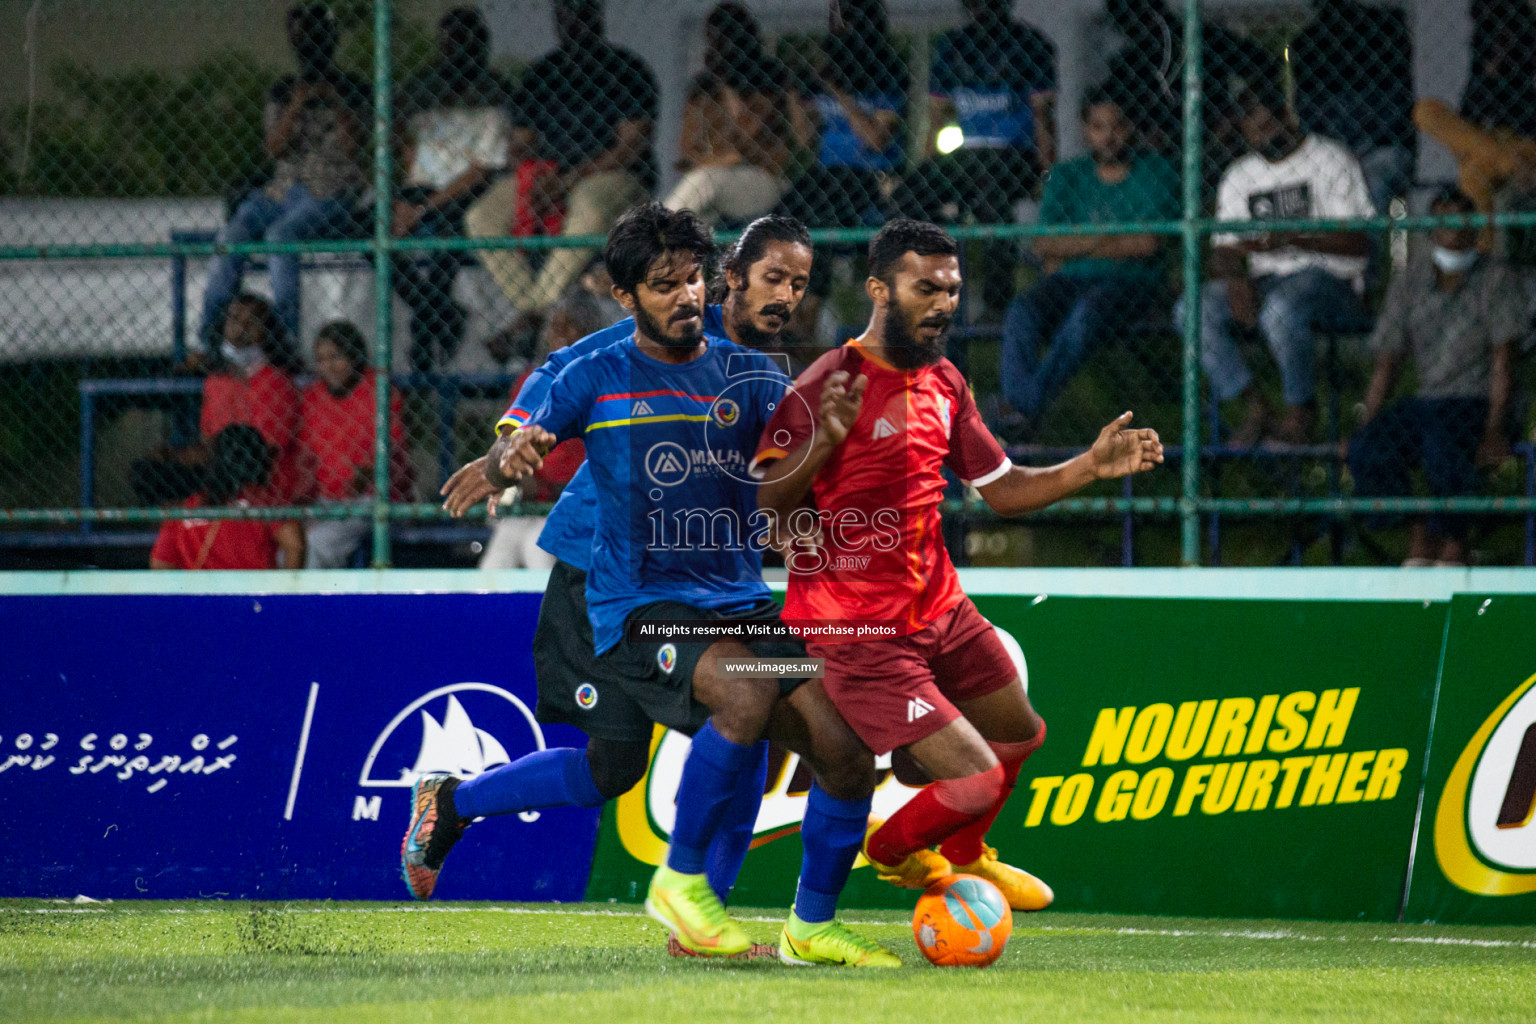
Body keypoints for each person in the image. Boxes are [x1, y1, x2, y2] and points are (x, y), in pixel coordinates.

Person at [426, 206, 893, 966]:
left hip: (728, 592)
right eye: (770, 279)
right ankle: (674, 889)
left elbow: (794, 478)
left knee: (820, 744)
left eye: (799, 284)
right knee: (664, 741)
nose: (784, 297)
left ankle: (749, 921)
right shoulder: (614, 360)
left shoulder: (760, 373)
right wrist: (508, 449)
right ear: (731, 283)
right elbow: (542, 403)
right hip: (617, 591)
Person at [752, 219, 1163, 912]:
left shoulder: (946, 381)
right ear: (879, 289)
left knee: (1021, 735)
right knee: (971, 782)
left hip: (941, 610)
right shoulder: (831, 380)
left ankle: (967, 852)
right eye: (926, 288)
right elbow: (762, 502)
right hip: (859, 633)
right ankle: (889, 850)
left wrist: (1090, 466)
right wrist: (823, 444)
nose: (944, 303)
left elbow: (1002, 491)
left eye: (952, 289)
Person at [1347, 189, 1524, 567]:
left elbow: (1503, 362)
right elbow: (1388, 362)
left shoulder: (1495, 278)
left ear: (1475, 230)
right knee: (1370, 447)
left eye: (1463, 224)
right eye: (1444, 225)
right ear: (1430, 232)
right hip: (1428, 400)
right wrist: (1368, 419)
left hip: (1476, 399)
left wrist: (1496, 427)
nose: (1454, 234)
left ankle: (1453, 543)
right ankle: (1419, 526)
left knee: (1442, 445)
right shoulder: (1410, 282)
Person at [1189, 90, 1374, 447]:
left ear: (1287, 118)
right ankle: (1255, 406)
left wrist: (1295, 239)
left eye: (1267, 126)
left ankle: (1300, 412)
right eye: (1251, 131)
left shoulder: (1330, 157)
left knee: (1281, 311)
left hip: (1330, 279)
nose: (1261, 137)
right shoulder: (1240, 174)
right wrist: (1236, 277)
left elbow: (1360, 242)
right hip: (1263, 278)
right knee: (1192, 309)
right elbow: (1222, 251)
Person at [466, 0, 657, 340]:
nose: (574, 21)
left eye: (582, 12)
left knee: (589, 203)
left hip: (612, 177)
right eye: (566, 13)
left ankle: (537, 311)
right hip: (549, 174)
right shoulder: (542, 73)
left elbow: (631, 146)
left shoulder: (627, 69)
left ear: (597, 15)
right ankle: (531, 305)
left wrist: (568, 179)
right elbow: (522, 141)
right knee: (481, 216)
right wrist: (536, 174)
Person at [999, 90, 1179, 438]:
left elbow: (1147, 244)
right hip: (1068, 281)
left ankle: (1020, 411)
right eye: (1098, 127)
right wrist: (1110, 240)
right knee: (1022, 310)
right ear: (1085, 130)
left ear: (1131, 128)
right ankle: (1022, 409)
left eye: (1117, 126)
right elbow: (1044, 243)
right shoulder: (1067, 175)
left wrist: (1078, 243)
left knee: (1088, 311)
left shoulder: (1157, 171)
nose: (1108, 136)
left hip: (1131, 284)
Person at [198, 4, 365, 357]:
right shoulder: (285, 89)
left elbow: (355, 148)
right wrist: (297, 103)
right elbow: (274, 148)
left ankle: (285, 339)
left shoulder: (353, 87)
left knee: (281, 236)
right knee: (232, 234)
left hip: (329, 192)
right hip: (282, 191)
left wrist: (335, 100)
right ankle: (209, 339)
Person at [893, 0, 1056, 313]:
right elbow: (937, 116)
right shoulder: (953, 46)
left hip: (1012, 155)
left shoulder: (1031, 44)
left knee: (990, 198)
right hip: (966, 155)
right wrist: (928, 168)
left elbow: (1042, 118)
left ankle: (996, 306)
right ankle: (928, 285)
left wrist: (1047, 175)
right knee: (906, 197)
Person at [390, 7, 514, 372]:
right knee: (364, 225)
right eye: (447, 43)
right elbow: (399, 136)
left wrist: (423, 208)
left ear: (480, 48)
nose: (453, 51)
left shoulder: (494, 94)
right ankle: (440, 311)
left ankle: (424, 335)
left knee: (448, 234)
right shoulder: (423, 88)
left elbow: (481, 171)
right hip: (423, 188)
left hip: (466, 193)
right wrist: (403, 195)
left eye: (462, 42)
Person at [477, 291, 605, 570]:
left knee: (537, 546)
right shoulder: (532, 382)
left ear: (588, 332)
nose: (559, 331)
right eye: (554, 325)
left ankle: (549, 615)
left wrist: (553, 486)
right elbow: (509, 441)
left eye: (569, 324)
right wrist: (520, 476)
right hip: (532, 504)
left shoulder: (600, 381)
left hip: (577, 504)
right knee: (496, 558)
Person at [1100, 0, 1281, 183]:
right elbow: (1116, 108)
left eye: (1138, 19)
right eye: (1126, 25)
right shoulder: (1129, 63)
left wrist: (1236, 112)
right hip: (1160, 155)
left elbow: (1266, 66)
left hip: (1214, 140)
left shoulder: (1204, 39)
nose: (1134, 29)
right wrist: (1141, 133)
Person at [1413, 0, 1536, 249]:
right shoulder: (1483, 43)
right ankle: (1512, 166)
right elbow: (1471, 112)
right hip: (1490, 145)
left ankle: (1483, 254)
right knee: (1425, 111)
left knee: (1472, 171)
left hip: (1523, 140)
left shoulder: (1526, 36)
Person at [663, 3, 795, 227]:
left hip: (762, 177)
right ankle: (662, 248)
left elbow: (747, 134)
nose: (726, 47)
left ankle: (652, 240)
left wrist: (727, 88)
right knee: (698, 205)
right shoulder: (703, 86)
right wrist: (718, 160)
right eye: (718, 40)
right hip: (711, 177)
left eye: (732, 38)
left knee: (705, 181)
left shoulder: (768, 77)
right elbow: (686, 151)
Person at [296, 321, 411, 568]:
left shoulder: (379, 390)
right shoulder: (312, 396)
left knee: (317, 544)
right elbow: (304, 457)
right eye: (321, 359)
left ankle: (316, 605)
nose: (329, 367)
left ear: (354, 356)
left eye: (336, 357)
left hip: (373, 498)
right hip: (324, 501)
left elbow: (392, 451)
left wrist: (366, 475)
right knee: (291, 540)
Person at [1290, 0, 1415, 218]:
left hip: (1379, 148)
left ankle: (1363, 249)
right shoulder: (1307, 44)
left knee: (1369, 187)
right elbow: (1308, 118)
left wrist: (1360, 148)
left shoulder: (1385, 32)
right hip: (1330, 152)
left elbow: (1397, 111)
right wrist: (1337, 152)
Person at [150, 425, 306, 570]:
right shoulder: (263, 500)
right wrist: (283, 592)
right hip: (252, 594)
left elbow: (160, 564)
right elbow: (295, 545)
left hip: (202, 595)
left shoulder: (188, 507)